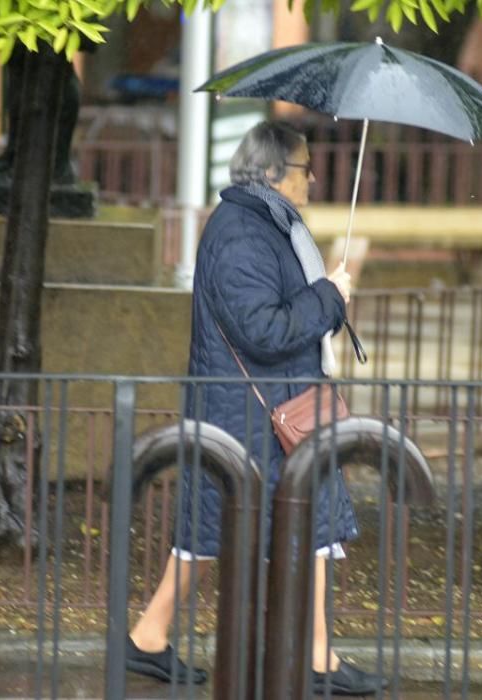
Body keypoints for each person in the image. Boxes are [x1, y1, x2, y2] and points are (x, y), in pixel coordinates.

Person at [126, 120, 387, 696]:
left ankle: (149, 636)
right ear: (271, 173)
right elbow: (262, 330)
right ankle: (315, 659)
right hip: (254, 414)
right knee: (289, 522)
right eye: (304, 168)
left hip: (259, 408)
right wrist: (328, 297)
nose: (313, 177)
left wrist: (327, 295)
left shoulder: (267, 225)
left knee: (224, 529)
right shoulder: (244, 234)